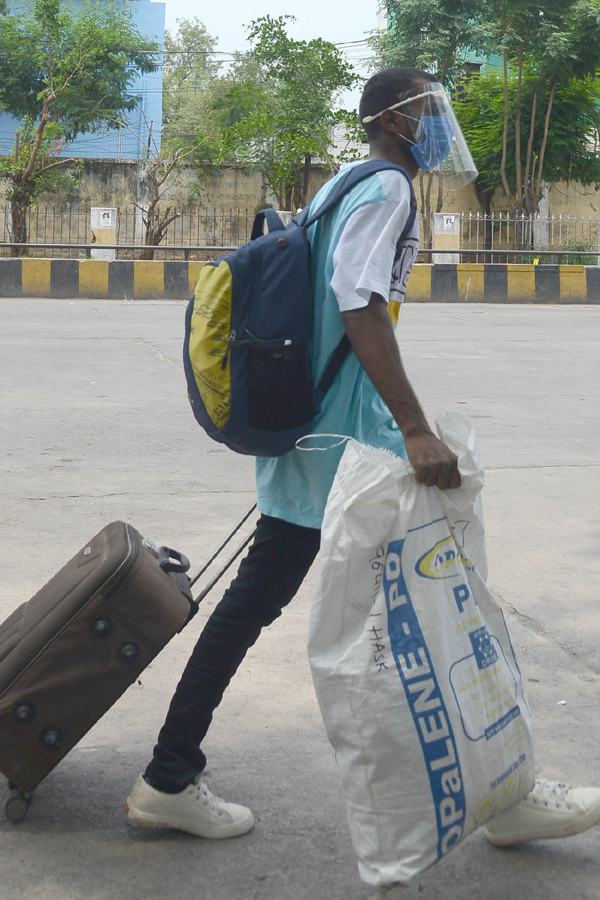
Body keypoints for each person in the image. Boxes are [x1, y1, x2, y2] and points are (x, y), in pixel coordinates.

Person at [126, 67, 600, 857]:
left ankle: (169, 776)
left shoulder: (345, 183)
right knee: (442, 603)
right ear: (391, 120)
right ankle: (504, 796)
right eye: (426, 109)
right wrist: (415, 428)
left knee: (290, 605)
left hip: (313, 434)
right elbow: (358, 303)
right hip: (349, 447)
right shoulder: (386, 190)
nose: (437, 123)